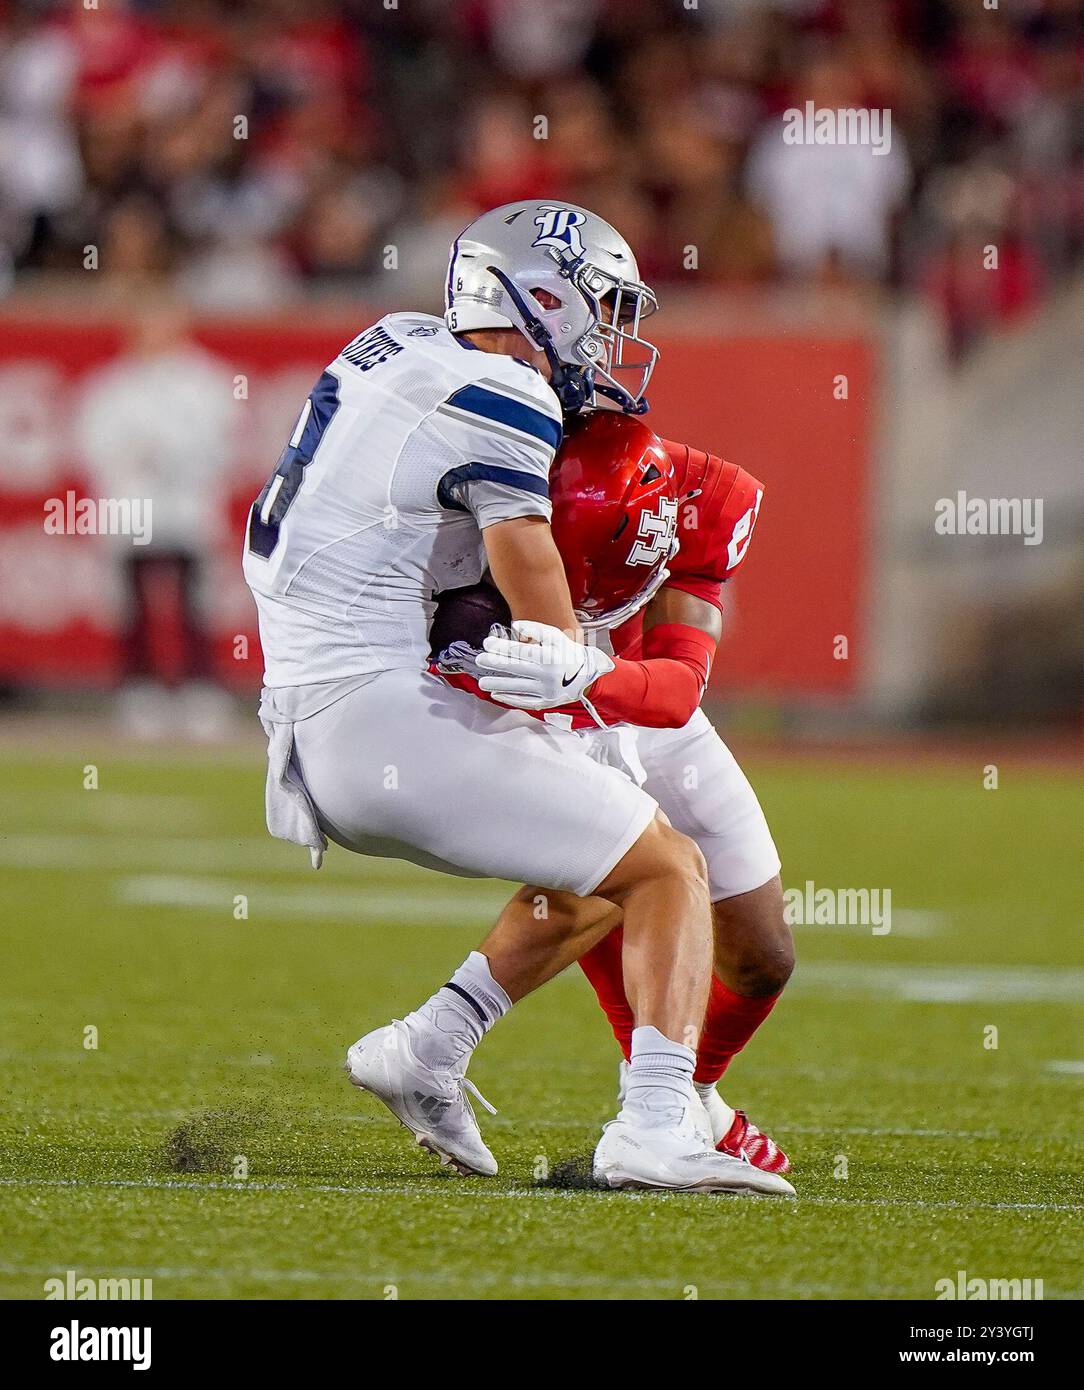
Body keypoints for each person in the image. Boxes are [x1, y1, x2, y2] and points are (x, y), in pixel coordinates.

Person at [242, 200, 794, 1196]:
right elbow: (535, 584)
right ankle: (655, 1124)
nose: (614, 334)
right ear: (541, 294)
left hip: (323, 705)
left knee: (600, 866)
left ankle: (426, 1049)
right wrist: (571, 677)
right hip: (383, 716)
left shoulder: (391, 343)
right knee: (666, 863)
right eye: (601, 304)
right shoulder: (503, 391)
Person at [434, 410, 794, 1176]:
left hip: (635, 690)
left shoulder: (706, 500)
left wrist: (595, 672)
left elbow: (672, 695)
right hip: (547, 704)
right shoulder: (479, 490)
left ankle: (689, 1092)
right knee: (623, 873)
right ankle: (652, 1105)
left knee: (765, 954)